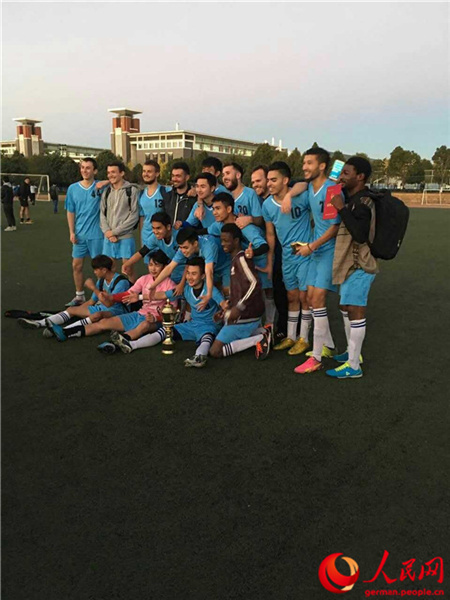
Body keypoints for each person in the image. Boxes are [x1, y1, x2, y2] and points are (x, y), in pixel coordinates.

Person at [283, 147, 341, 374]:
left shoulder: (331, 189)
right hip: (315, 252)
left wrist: (312, 246)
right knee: (309, 297)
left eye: (309, 163)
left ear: (322, 166)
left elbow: (334, 228)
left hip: (327, 251)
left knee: (316, 299)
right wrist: (288, 195)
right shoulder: (310, 189)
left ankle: (316, 358)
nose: (304, 167)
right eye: (304, 162)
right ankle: (328, 346)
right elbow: (300, 185)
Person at [115, 257, 226, 368]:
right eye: (188, 273)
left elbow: (223, 304)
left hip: (209, 326)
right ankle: (132, 345)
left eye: (194, 274)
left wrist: (223, 312)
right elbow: (162, 295)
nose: (189, 277)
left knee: (206, 338)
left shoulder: (211, 290)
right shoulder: (185, 289)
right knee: (165, 330)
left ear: (203, 276)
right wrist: (139, 297)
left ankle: (199, 357)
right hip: (192, 325)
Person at [50, 250, 176, 344]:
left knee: (144, 326)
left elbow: (173, 312)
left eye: (157, 265)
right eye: (150, 265)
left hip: (156, 321)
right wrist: (111, 297)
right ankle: (66, 332)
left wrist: (155, 318)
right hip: (139, 314)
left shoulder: (170, 285)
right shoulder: (144, 279)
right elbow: (127, 295)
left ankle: (116, 344)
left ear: (165, 267)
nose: (153, 269)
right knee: (103, 323)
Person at [325, 157, 378, 379]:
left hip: (361, 265)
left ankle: (354, 365)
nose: (342, 177)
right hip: (351, 264)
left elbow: (360, 235)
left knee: (355, 311)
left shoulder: (364, 201)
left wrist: (341, 208)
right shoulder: (353, 198)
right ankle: (351, 353)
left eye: (346, 173)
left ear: (360, 177)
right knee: (345, 306)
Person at [262, 162, 313, 355]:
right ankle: (291, 336)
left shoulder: (300, 196)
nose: (269, 183)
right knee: (291, 296)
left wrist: (290, 195)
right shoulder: (267, 205)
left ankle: (304, 338)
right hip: (286, 256)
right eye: (268, 180)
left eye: (273, 180)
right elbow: (270, 235)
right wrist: (270, 261)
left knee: (304, 297)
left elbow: (306, 184)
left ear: (285, 180)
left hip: (305, 254)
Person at [17, 255, 131, 334]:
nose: (94, 272)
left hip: (118, 311)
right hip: (102, 307)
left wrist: (93, 288)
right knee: (72, 309)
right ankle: (39, 323)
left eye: (96, 270)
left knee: (97, 315)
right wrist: (77, 311)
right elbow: (91, 302)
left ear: (104, 270)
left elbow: (109, 304)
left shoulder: (121, 282)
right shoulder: (102, 280)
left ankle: (65, 330)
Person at [209, 223, 271, 360]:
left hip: (247, 314)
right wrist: (228, 308)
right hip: (244, 313)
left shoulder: (241, 258)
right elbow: (240, 290)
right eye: (221, 240)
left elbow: (254, 283)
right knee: (220, 327)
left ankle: (259, 338)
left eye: (226, 240)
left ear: (236, 241)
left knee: (215, 352)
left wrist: (238, 307)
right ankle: (260, 332)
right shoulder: (235, 259)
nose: (223, 244)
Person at [208, 193, 272, 312]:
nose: (214, 212)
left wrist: (253, 253)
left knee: (265, 291)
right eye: (213, 209)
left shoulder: (243, 226)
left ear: (229, 209)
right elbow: (206, 231)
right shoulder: (218, 225)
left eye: (218, 208)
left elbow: (264, 246)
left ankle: (269, 321)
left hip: (260, 261)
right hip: (242, 261)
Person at [251, 165, 288, 341]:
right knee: (273, 289)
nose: (256, 185)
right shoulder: (261, 201)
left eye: (259, 180)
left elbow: (302, 185)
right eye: (253, 182)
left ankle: (283, 328)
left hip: (291, 250)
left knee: (289, 292)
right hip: (269, 250)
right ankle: (275, 328)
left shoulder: (288, 194)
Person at [65, 157, 105, 306]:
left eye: (88, 168)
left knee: (100, 268)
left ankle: (101, 296)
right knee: (76, 265)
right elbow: (70, 211)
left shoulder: (101, 187)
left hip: (97, 235)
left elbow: (119, 181)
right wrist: (71, 231)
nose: (84, 170)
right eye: (82, 167)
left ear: (95, 171)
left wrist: (106, 182)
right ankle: (79, 296)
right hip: (79, 235)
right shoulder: (73, 188)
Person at [148, 227, 219, 310]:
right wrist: (153, 285)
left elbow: (209, 271)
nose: (183, 251)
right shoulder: (184, 248)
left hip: (222, 265)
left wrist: (209, 294)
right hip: (207, 266)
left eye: (185, 247)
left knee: (219, 290)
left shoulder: (208, 247)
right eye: (180, 247)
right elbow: (170, 267)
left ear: (195, 244)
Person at [100, 161, 140, 281]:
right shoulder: (106, 191)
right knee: (108, 269)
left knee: (128, 269)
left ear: (122, 173)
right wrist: (108, 232)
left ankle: (132, 291)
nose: (110, 175)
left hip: (125, 236)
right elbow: (102, 214)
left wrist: (115, 232)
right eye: (108, 172)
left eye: (113, 172)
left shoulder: (131, 191)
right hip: (108, 237)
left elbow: (134, 216)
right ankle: (111, 292)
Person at [122, 212, 185, 283]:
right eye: (153, 228)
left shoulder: (180, 236)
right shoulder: (155, 238)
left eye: (158, 228)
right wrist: (127, 264)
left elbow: (190, 261)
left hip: (188, 271)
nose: (155, 232)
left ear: (168, 227)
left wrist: (182, 283)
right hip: (174, 272)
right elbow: (142, 252)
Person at [138, 160, 171, 246]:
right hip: (146, 237)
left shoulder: (166, 191)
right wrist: (141, 238)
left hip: (161, 238)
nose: (146, 174)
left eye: (149, 171)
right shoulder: (141, 194)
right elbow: (142, 218)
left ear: (157, 174)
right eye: (144, 171)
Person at [222, 162, 264, 229]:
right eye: (223, 175)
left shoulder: (251, 194)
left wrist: (249, 219)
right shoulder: (226, 196)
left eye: (228, 173)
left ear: (238, 175)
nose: (224, 177)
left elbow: (260, 220)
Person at [163, 162, 196, 229]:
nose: (174, 179)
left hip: (188, 234)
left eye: (178, 176)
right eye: (173, 176)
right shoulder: (168, 196)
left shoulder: (194, 197)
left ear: (187, 177)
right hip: (170, 235)